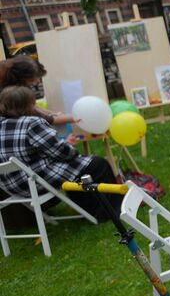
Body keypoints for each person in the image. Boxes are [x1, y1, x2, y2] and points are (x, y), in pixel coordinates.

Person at [0, 86, 121, 221]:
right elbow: (63, 153)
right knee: (97, 164)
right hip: (35, 182)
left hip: (12, 186)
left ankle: (89, 207)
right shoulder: (32, 123)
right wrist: (68, 145)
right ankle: (110, 209)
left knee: (75, 168)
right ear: (28, 105)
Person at [0, 56, 76, 125]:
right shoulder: (12, 93)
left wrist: (56, 113)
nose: (38, 81)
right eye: (35, 78)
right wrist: (76, 118)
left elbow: (33, 106)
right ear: (22, 77)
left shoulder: (16, 83)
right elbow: (45, 119)